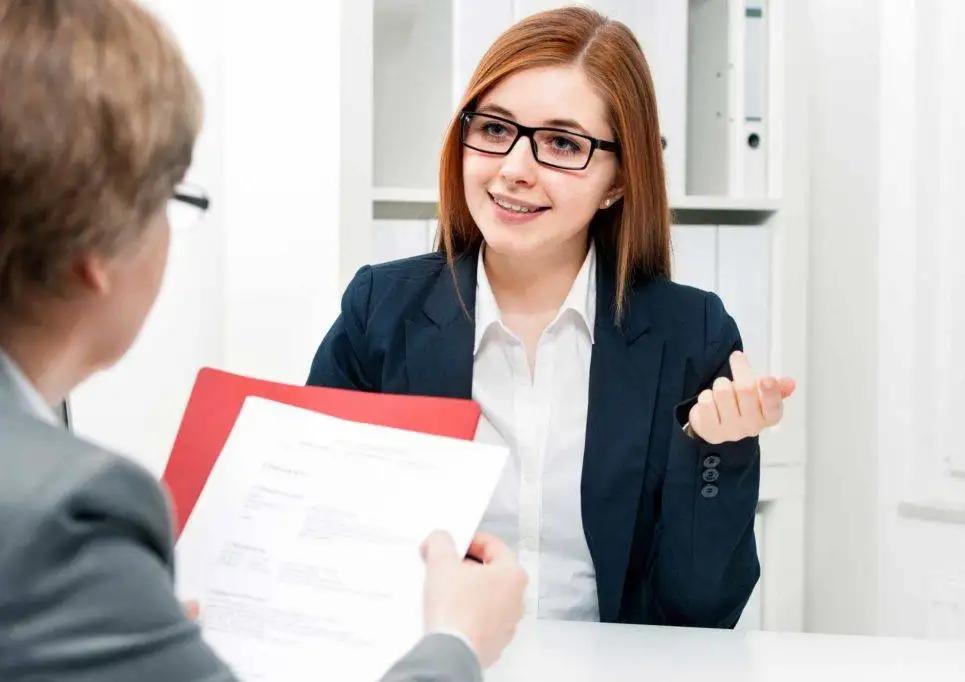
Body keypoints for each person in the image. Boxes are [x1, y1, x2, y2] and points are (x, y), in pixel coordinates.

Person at [0, 1, 525, 680]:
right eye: (170, 200)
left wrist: (133, 636)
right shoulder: (72, 512)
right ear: (94, 250)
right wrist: (456, 640)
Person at [307, 6, 797, 628]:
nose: (513, 168)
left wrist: (720, 446)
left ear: (619, 180)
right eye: (493, 129)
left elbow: (700, 610)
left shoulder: (691, 333)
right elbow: (320, 543)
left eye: (562, 143)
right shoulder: (379, 311)